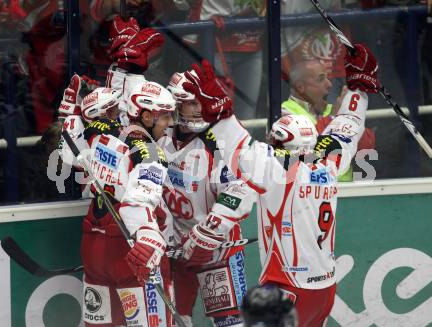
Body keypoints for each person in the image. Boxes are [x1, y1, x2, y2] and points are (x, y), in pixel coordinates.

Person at [180, 43, 379, 326]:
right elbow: (348, 123)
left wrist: (220, 114)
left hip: (288, 288)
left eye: (273, 141)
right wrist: (358, 88)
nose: (269, 144)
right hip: (324, 288)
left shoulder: (277, 168)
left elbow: (241, 149)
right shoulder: (330, 161)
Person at [59, 16, 178, 327]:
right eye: (164, 117)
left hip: (94, 248)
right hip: (130, 250)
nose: (169, 124)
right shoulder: (150, 152)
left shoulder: (102, 136)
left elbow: (69, 152)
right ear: (148, 115)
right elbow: (137, 202)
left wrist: (71, 112)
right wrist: (149, 237)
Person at [157, 70, 255, 326]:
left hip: (218, 251)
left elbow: (241, 190)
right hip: (176, 253)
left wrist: (207, 234)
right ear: (175, 104)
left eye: (202, 101)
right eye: (191, 103)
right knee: (176, 321)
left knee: (231, 324)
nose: (199, 108)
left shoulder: (218, 142)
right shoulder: (159, 138)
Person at [281, 59, 376, 181]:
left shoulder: (334, 109)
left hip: (347, 192)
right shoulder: (283, 114)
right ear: (300, 87)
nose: (329, 84)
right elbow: (308, 151)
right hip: (311, 193)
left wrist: (352, 114)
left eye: (327, 78)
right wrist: (335, 119)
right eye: (321, 79)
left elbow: (366, 147)